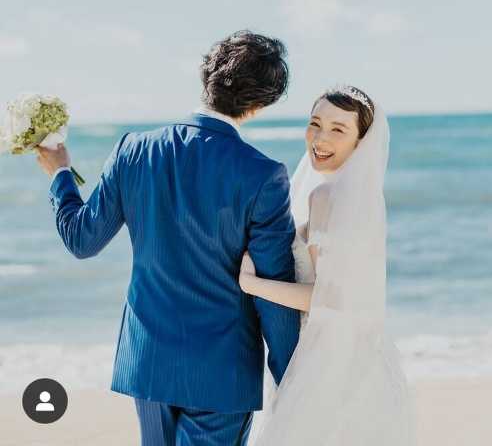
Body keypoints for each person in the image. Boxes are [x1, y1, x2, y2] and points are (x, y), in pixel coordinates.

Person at [36, 31, 300, 446]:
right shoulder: (263, 175)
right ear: (259, 105)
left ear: (205, 77)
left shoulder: (133, 150)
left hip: (147, 362)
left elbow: (81, 239)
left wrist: (60, 174)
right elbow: (273, 289)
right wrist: (293, 377)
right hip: (221, 373)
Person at [239, 86, 416, 445]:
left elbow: (328, 299)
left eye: (338, 129)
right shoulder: (363, 199)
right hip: (366, 361)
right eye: (315, 123)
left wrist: (251, 284)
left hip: (327, 363)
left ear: (360, 141)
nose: (320, 138)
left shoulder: (327, 197)